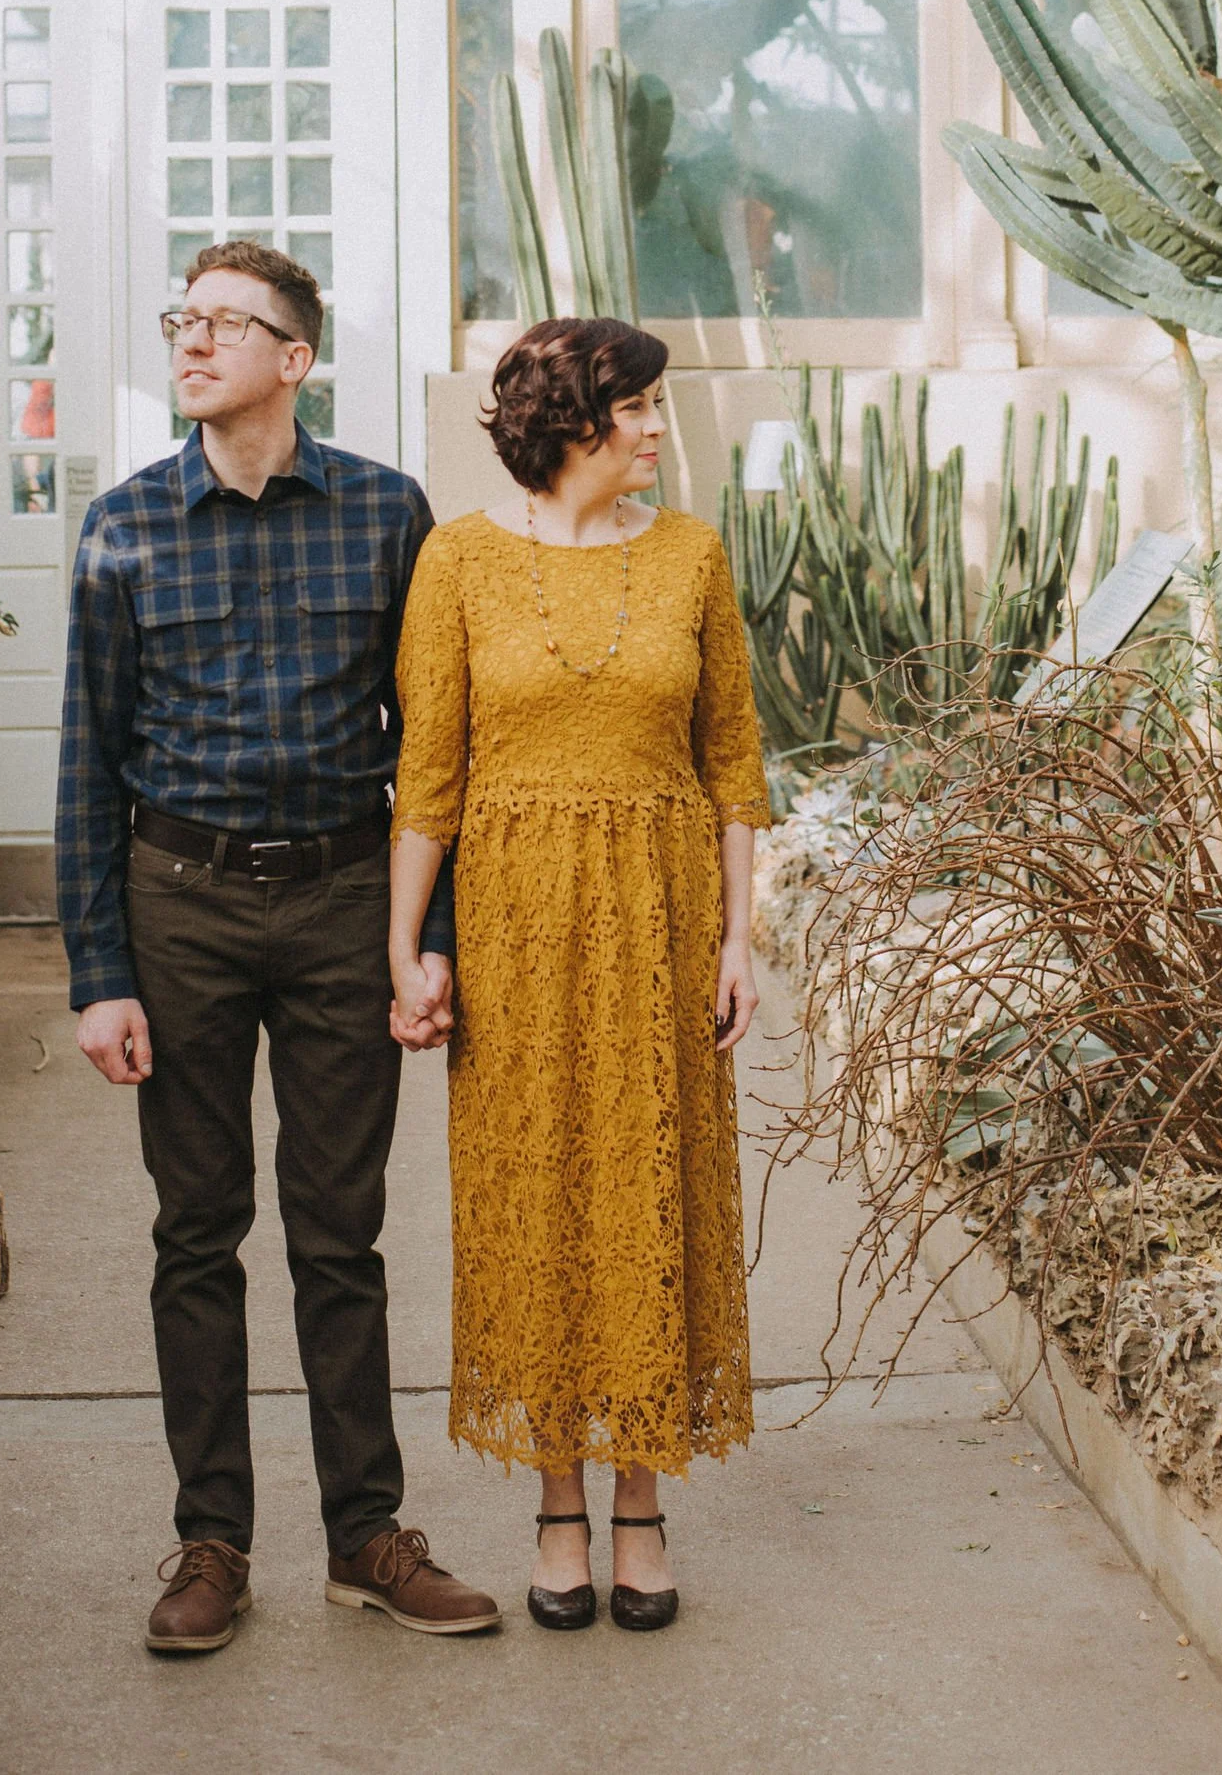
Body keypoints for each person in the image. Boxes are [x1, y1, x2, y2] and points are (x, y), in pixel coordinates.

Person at [55, 239, 498, 1657]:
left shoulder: (384, 513)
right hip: (176, 904)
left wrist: (419, 940)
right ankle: (211, 1543)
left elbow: (436, 745)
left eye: (224, 325)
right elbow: (87, 765)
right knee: (196, 1234)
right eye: (181, 319)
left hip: (336, 902)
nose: (190, 342)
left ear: (295, 360)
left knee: (339, 1232)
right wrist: (98, 971)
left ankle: (367, 1535)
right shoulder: (124, 525)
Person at [386, 315, 769, 1635]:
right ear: (574, 422)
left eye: (661, 408)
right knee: (538, 1197)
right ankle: (558, 1500)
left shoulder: (693, 559)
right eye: (642, 409)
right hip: (516, 929)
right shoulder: (460, 564)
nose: (660, 431)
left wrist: (737, 938)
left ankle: (644, 1497)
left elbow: (737, 769)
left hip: (661, 923)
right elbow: (429, 783)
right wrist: (406, 946)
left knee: (651, 1194)